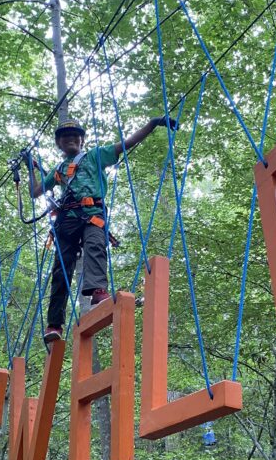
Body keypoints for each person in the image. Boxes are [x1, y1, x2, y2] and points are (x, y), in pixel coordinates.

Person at [28, 115, 176, 346]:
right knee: (61, 271)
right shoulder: (58, 170)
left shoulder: (95, 155)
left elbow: (126, 144)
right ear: (58, 143)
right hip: (67, 219)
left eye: (75, 136)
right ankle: (54, 323)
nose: (70, 140)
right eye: (65, 137)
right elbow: (35, 192)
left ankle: (98, 291)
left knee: (96, 245)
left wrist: (152, 123)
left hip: (92, 214)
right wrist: (30, 169)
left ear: (82, 140)